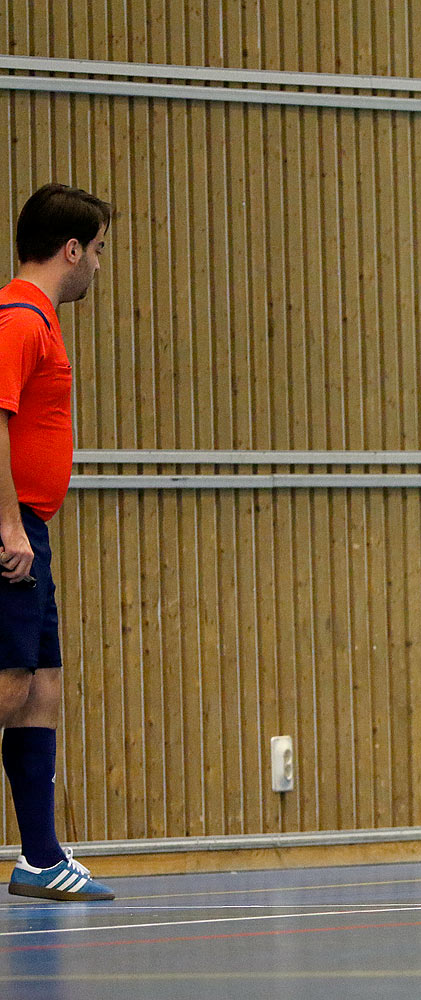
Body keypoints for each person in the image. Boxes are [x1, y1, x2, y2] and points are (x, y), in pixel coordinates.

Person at [1, 183, 116, 900]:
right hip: (10, 532)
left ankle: (40, 859)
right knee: (8, 686)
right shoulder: (18, 319)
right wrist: (7, 523)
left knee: (42, 687)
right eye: (98, 251)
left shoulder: (39, 320)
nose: (99, 267)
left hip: (30, 531)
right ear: (71, 249)